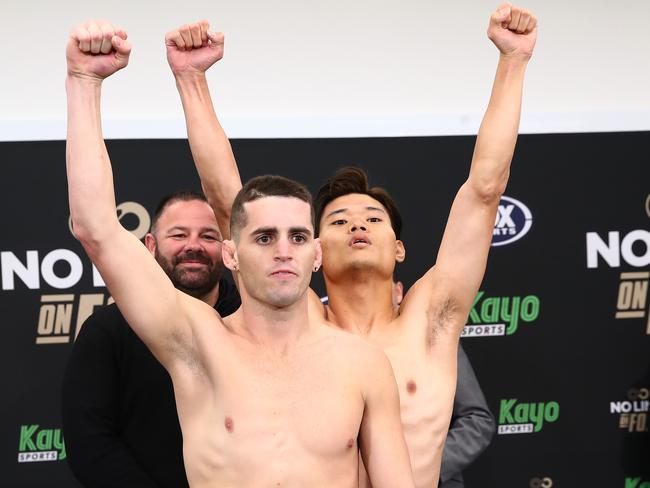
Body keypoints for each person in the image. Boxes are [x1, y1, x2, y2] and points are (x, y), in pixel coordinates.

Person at [179, 3, 537, 486]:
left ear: (399, 249)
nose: (358, 227)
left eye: (373, 218)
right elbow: (228, 199)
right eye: (339, 220)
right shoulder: (295, 321)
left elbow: (484, 191)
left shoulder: (432, 323)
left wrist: (513, 62)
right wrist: (193, 80)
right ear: (315, 250)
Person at [65, 20, 414, 488]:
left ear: (316, 254)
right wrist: (84, 82)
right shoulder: (197, 343)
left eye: (296, 237)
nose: (283, 251)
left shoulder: (363, 363)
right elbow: (97, 228)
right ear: (231, 253)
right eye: (264, 237)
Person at [62, 191, 241, 488]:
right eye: (179, 235)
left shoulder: (252, 322)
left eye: (208, 236)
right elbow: (90, 442)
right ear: (150, 245)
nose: (193, 246)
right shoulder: (107, 330)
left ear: (226, 250)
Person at [392, 282, 496, 488]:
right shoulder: (339, 347)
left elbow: (478, 420)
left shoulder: (435, 342)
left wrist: (427, 467)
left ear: (398, 292)